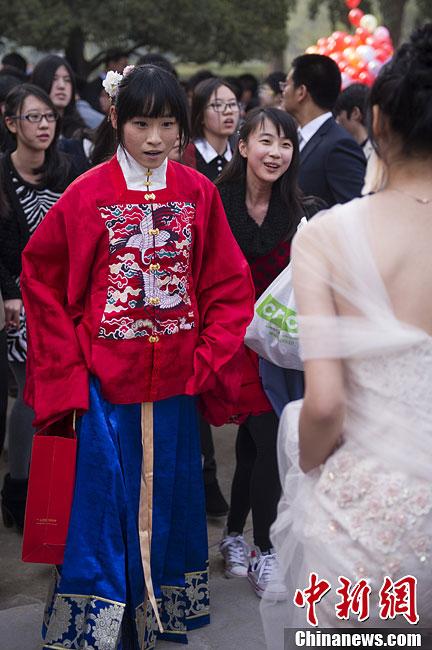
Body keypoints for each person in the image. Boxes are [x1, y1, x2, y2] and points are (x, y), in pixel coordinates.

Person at [20, 64, 254, 649]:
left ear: (183, 127)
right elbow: (40, 276)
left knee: (173, 492)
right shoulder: (87, 193)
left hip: (176, 384)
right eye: (141, 123)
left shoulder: (197, 192)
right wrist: (74, 362)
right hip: (105, 383)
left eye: (167, 124)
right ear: (117, 121)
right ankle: (102, 620)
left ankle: (162, 608)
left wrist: (205, 358)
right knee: (103, 501)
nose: (154, 138)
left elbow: (228, 284)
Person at [260, 24, 432, 647]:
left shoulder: (328, 236)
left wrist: (306, 467)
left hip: (366, 523)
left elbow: (325, 404)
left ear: (378, 119)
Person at [215, 107, 323, 597]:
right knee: (260, 439)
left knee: (262, 439)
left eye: (286, 144)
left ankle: (241, 538)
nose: (276, 152)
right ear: (242, 148)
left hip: (274, 346)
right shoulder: (215, 202)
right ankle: (260, 545)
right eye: (266, 141)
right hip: (228, 341)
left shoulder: (301, 211)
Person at [0, 83, 77, 532]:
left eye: (49, 117)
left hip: (63, 300)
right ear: (11, 124)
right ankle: (19, 486)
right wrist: (11, 292)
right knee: (31, 390)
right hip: (17, 301)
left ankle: (52, 488)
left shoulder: (67, 170)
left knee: (60, 395)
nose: (44, 125)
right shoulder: (1, 174)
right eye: (34, 117)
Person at [282, 53, 366, 207]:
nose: (284, 92)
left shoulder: (338, 145)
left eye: (286, 84)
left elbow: (356, 209)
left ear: (301, 92)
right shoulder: (295, 138)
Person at [30, 55, 89, 173]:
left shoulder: (81, 132)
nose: (61, 86)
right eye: (54, 79)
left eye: (67, 80)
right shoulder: (28, 128)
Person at [182, 77, 240, 182]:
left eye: (232, 104)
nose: (228, 111)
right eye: (218, 105)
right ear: (200, 114)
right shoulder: (184, 156)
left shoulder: (240, 160)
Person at [334, 82, 373, 159]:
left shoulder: (377, 153)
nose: (337, 120)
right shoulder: (345, 151)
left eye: (339, 114)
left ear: (355, 113)